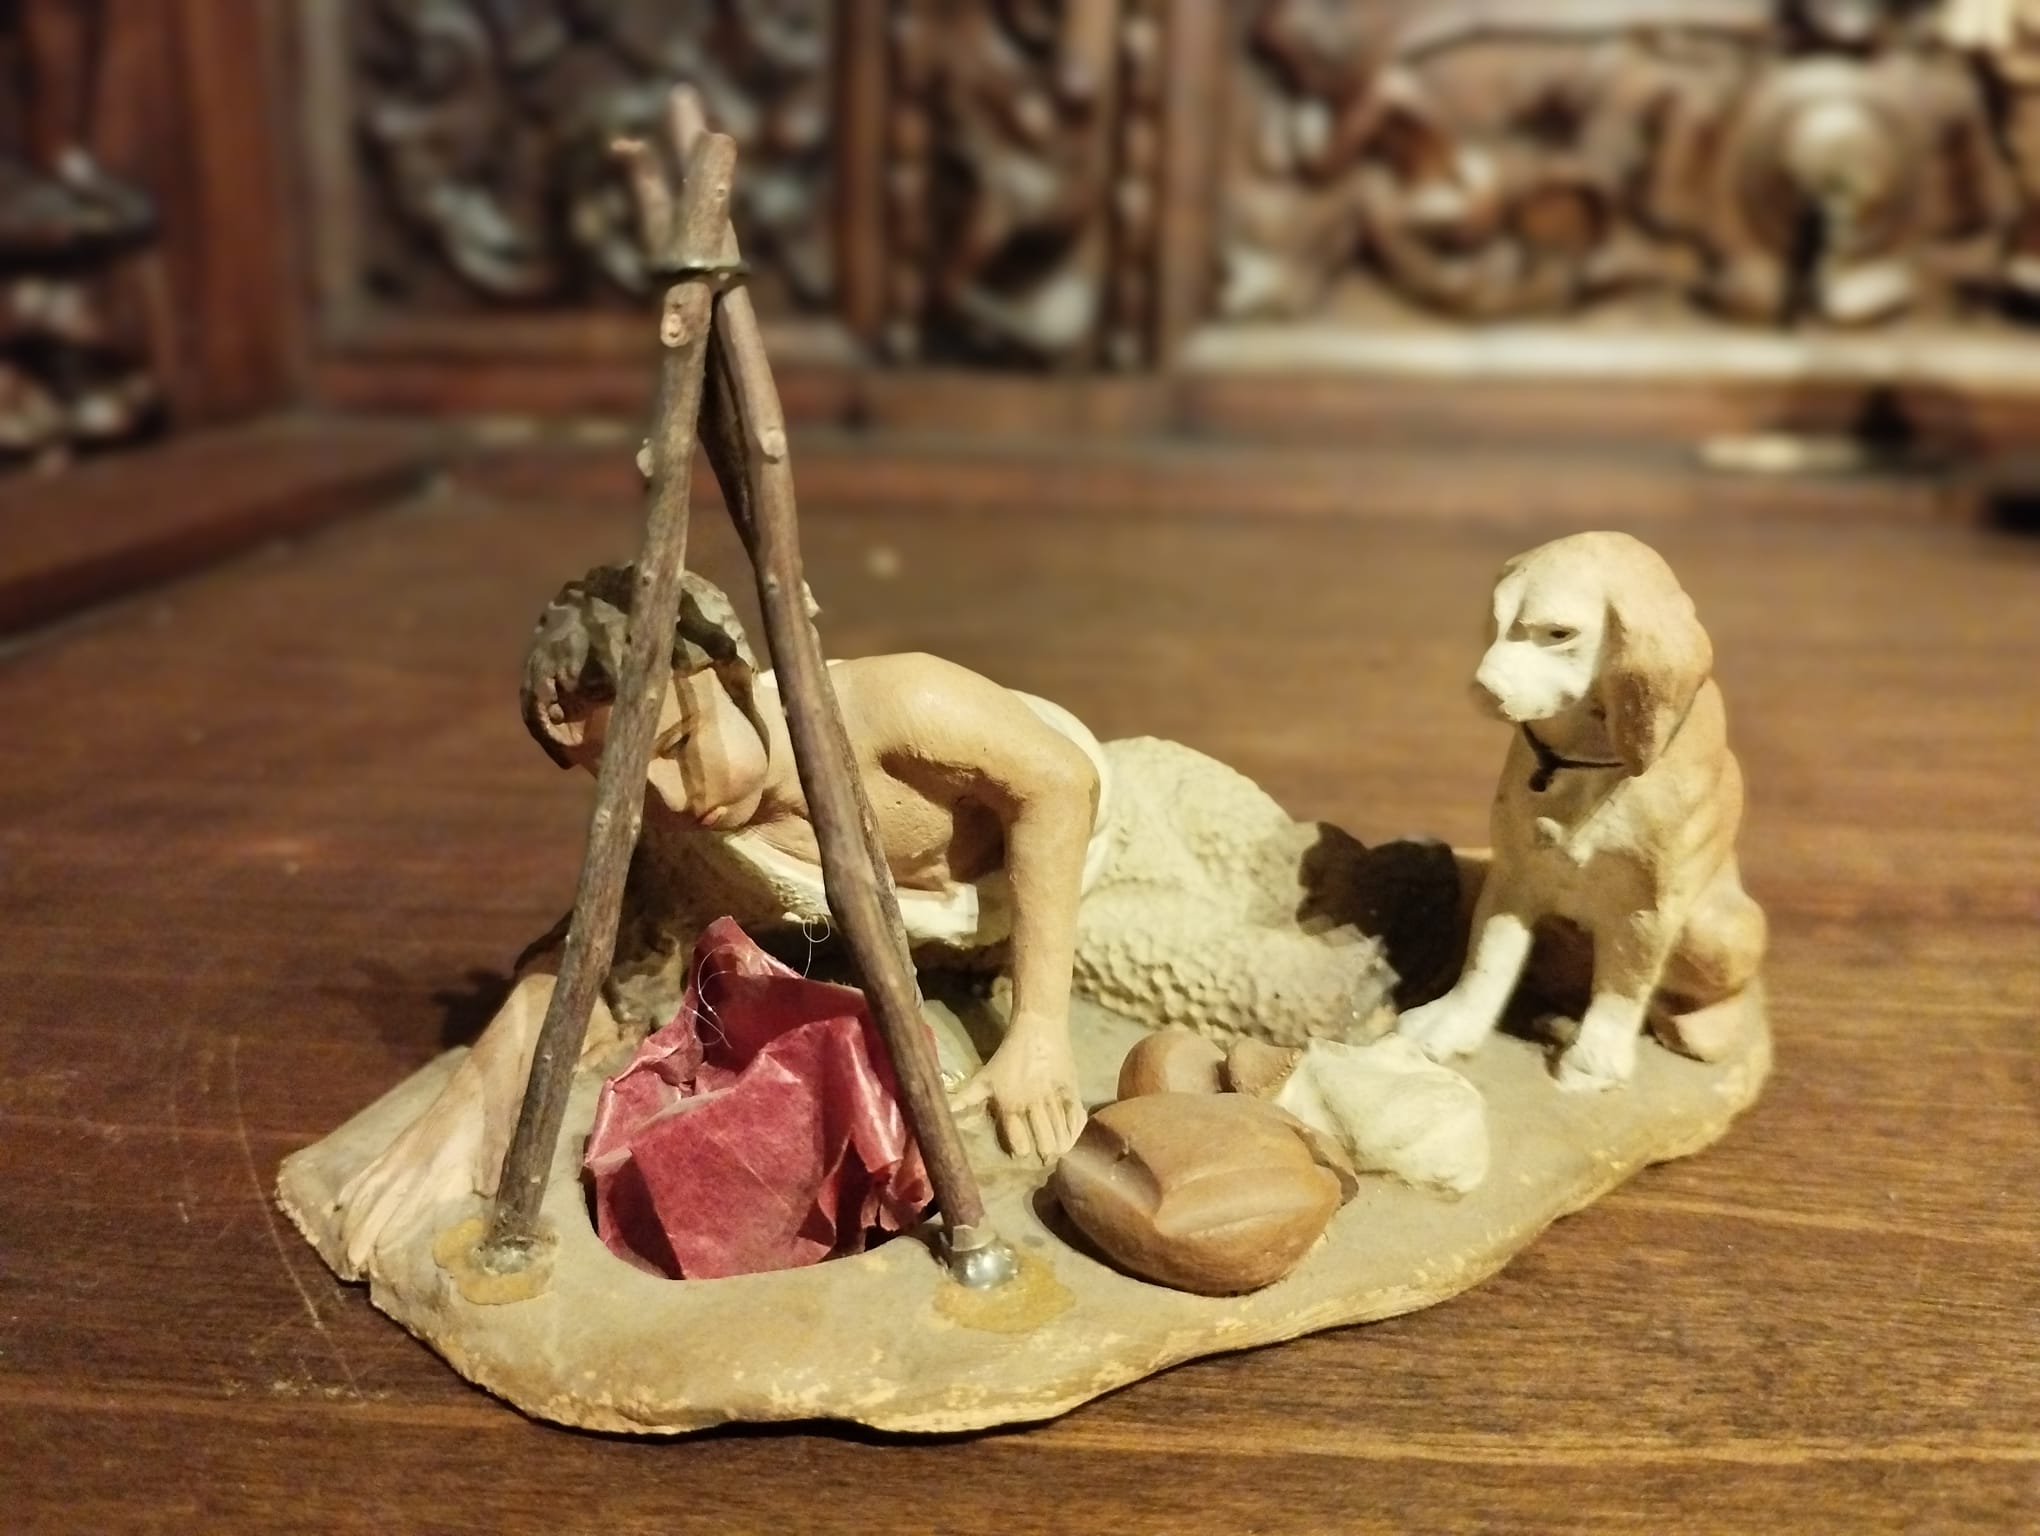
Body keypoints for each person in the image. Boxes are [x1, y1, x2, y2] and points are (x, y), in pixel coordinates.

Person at [327, 566, 1429, 1277]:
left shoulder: (894, 705)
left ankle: (1472, 897)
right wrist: (480, 1088)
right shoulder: (688, 831)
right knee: (1295, 996)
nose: (668, 796)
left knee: (1352, 923)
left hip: (1129, 827)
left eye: (674, 746)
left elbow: (1053, 787)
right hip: (1045, 935)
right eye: (617, 778)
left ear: (736, 674)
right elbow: (597, 948)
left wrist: (1039, 1032)